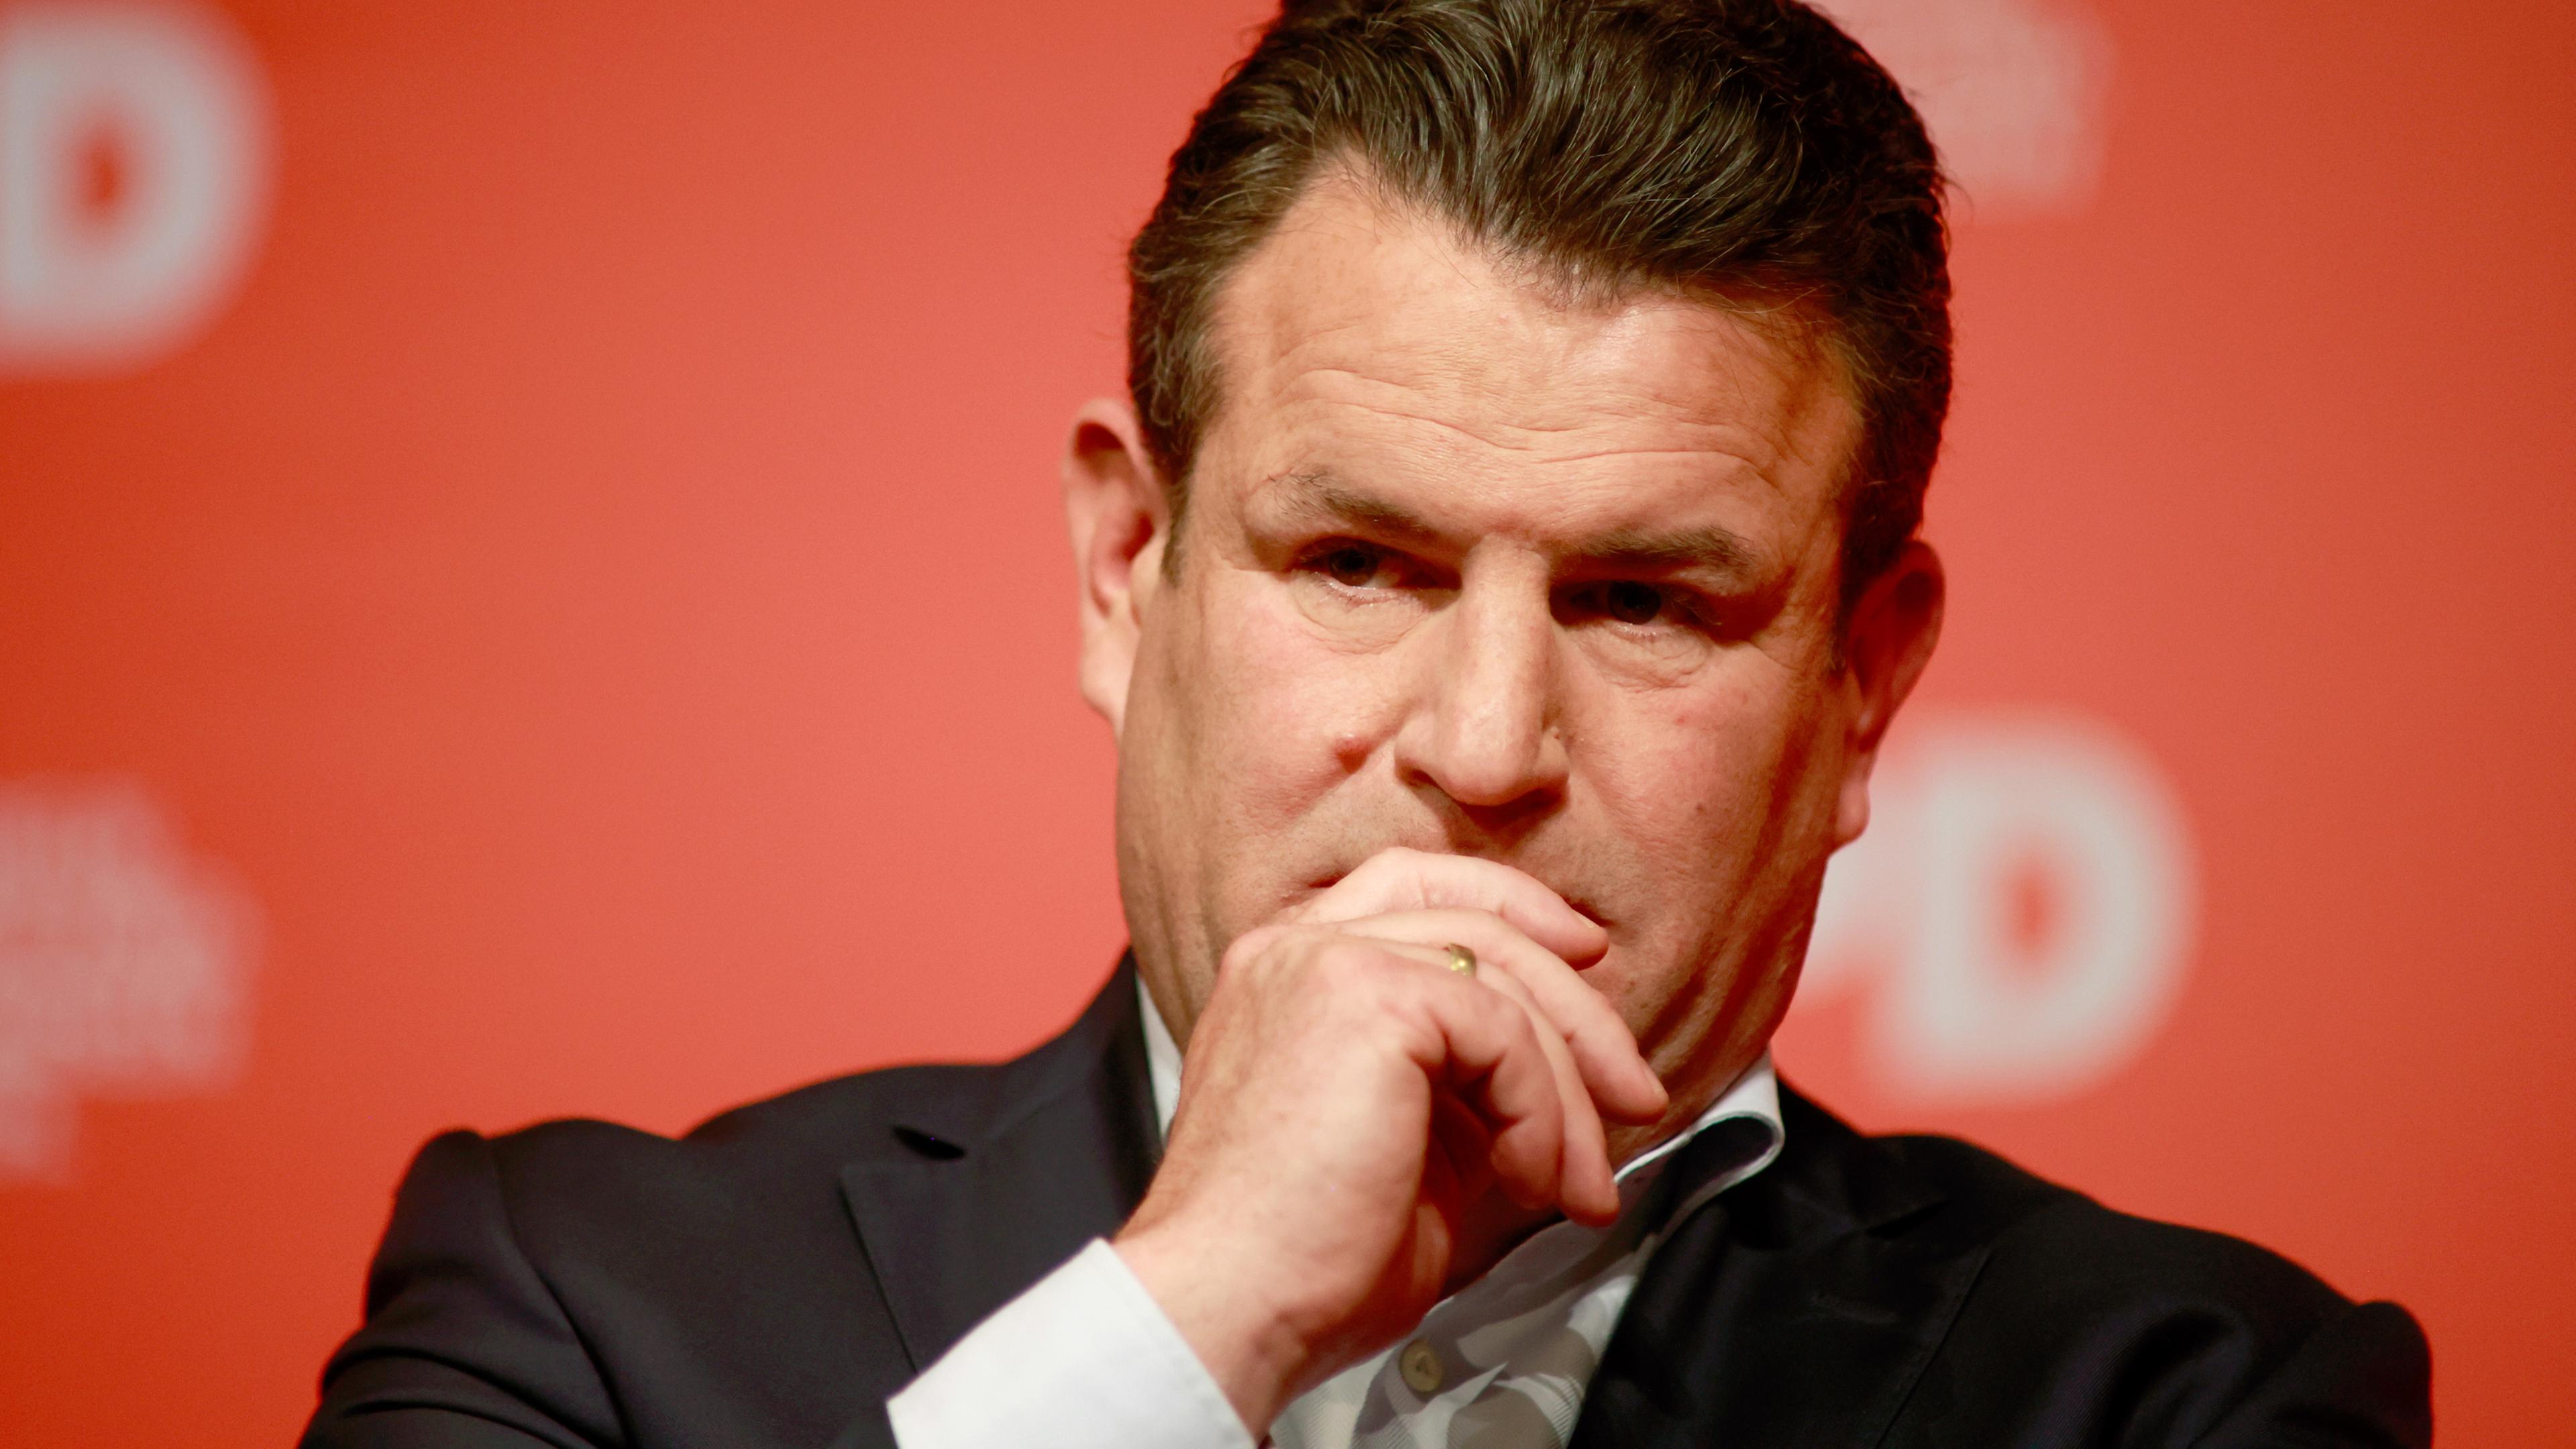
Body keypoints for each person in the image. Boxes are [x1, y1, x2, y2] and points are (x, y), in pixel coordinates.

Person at [303, 2, 2431, 1446]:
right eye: (1360, 564)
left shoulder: (2184, 1396)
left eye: (1644, 602)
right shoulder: (587, 1308)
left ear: (1866, 687)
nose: (1486, 748)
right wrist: (1188, 1323)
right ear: (1124, 570)